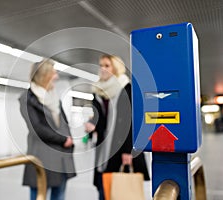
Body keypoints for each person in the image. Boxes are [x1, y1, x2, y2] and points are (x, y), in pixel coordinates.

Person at [85, 54, 150, 200]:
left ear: (116, 68)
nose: (102, 69)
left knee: (119, 190)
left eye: (107, 65)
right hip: (103, 148)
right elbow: (101, 120)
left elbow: (130, 122)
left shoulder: (126, 89)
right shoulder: (98, 91)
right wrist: (93, 125)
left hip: (121, 147)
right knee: (104, 186)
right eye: (101, 65)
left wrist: (128, 151)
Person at [19, 59, 76, 200]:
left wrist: (69, 139)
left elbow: (64, 123)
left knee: (59, 194)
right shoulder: (27, 98)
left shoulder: (55, 98)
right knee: (39, 193)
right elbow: (36, 128)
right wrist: (64, 139)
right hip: (42, 155)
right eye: (53, 73)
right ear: (44, 75)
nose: (56, 77)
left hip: (61, 155)